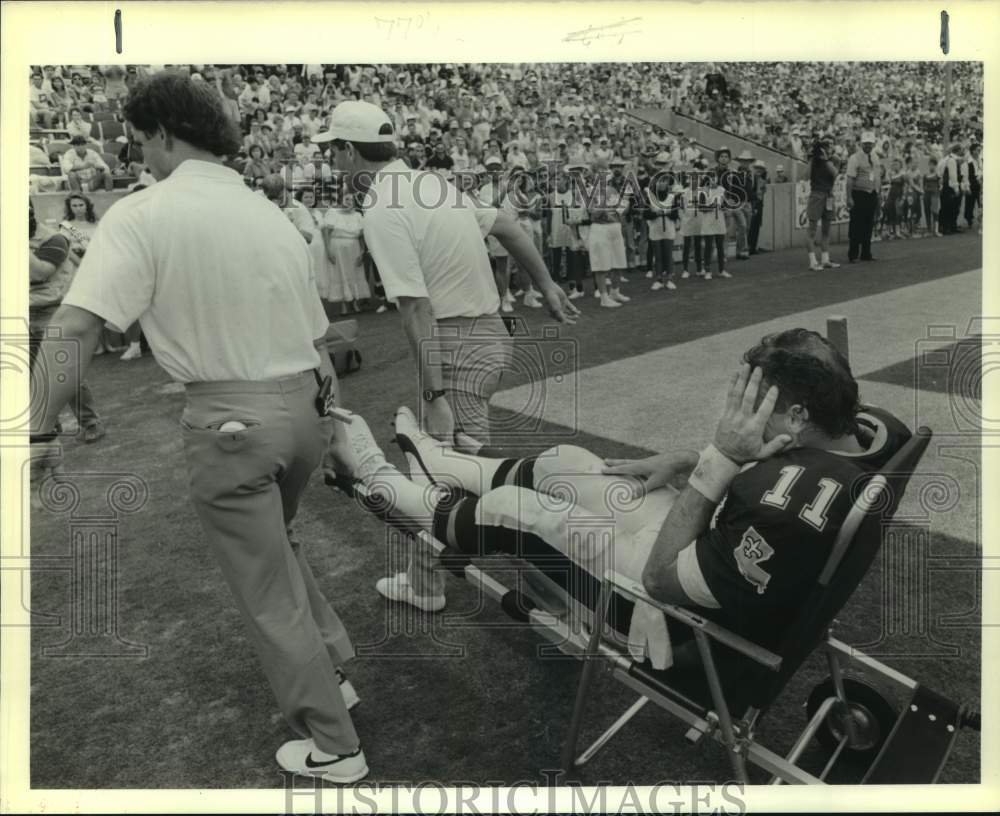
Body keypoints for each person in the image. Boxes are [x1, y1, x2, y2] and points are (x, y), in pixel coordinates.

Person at [30, 70, 368, 785]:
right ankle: (334, 668)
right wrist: (327, 417)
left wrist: (34, 431)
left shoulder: (144, 212)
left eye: (138, 139)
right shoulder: (270, 213)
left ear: (160, 133)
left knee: (264, 582)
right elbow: (317, 339)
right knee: (281, 547)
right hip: (303, 402)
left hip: (232, 417)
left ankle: (336, 746)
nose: (137, 153)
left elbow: (77, 325)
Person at [332, 328, 910, 656]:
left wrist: (718, 462)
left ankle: (388, 485)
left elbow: (662, 580)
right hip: (710, 549)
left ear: (798, 413)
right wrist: (691, 459)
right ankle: (444, 463)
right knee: (578, 464)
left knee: (518, 512)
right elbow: (788, 466)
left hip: (676, 620)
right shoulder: (863, 436)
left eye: (750, 401)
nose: (735, 410)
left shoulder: (784, 508)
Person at [315, 100, 578, 447]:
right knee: (458, 473)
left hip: (459, 347)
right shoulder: (432, 183)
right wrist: (546, 284)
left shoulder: (382, 205)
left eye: (332, 152)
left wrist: (433, 397)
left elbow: (416, 308)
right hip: (491, 335)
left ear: (348, 151)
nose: (332, 164)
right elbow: (506, 225)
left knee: (462, 478)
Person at [28, 204, 106, 450]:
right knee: (29, 373)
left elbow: (40, 272)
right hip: (22, 311)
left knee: (63, 370)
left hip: (50, 311)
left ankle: (90, 421)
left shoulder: (55, 238)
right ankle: (46, 424)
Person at [320, 178, 370, 315]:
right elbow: (326, 233)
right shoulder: (333, 213)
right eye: (347, 200)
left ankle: (354, 302)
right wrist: (328, 251)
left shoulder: (358, 215)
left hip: (353, 248)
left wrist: (362, 251)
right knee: (340, 273)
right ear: (341, 200)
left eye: (352, 201)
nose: (349, 203)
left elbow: (361, 236)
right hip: (337, 248)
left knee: (353, 273)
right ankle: (343, 305)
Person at [806, 139, 841, 271]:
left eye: (831, 145)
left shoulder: (832, 161)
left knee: (826, 229)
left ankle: (825, 259)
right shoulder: (814, 161)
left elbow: (835, 173)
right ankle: (812, 261)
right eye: (826, 146)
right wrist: (812, 160)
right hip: (817, 194)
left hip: (828, 195)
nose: (829, 148)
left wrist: (827, 160)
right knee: (812, 230)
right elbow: (804, 175)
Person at [845, 131, 880, 263]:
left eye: (870, 144)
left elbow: (876, 177)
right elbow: (850, 179)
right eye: (865, 144)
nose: (868, 146)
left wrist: (878, 192)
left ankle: (866, 253)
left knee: (868, 224)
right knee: (856, 225)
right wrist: (849, 197)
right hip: (858, 193)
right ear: (861, 144)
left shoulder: (875, 157)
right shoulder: (854, 158)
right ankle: (853, 254)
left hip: (871, 194)